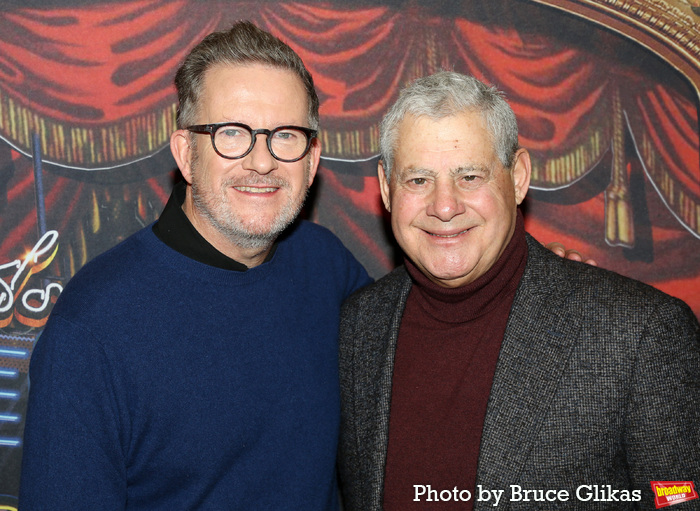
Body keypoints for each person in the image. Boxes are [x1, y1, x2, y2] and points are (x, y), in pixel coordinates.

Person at [19, 21, 372, 510]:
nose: (262, 161)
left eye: (285, 136)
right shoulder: (92, 331)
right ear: (185, 153)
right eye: (231, 133)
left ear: (312, 159)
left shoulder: (326, 265)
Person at [337, 71, 700, 511]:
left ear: (518, 178)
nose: (445, 205)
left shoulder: (640, 333)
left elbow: (679, 498)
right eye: (418, 180)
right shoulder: (358, 326)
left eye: (470, 176)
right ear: (385, 188)